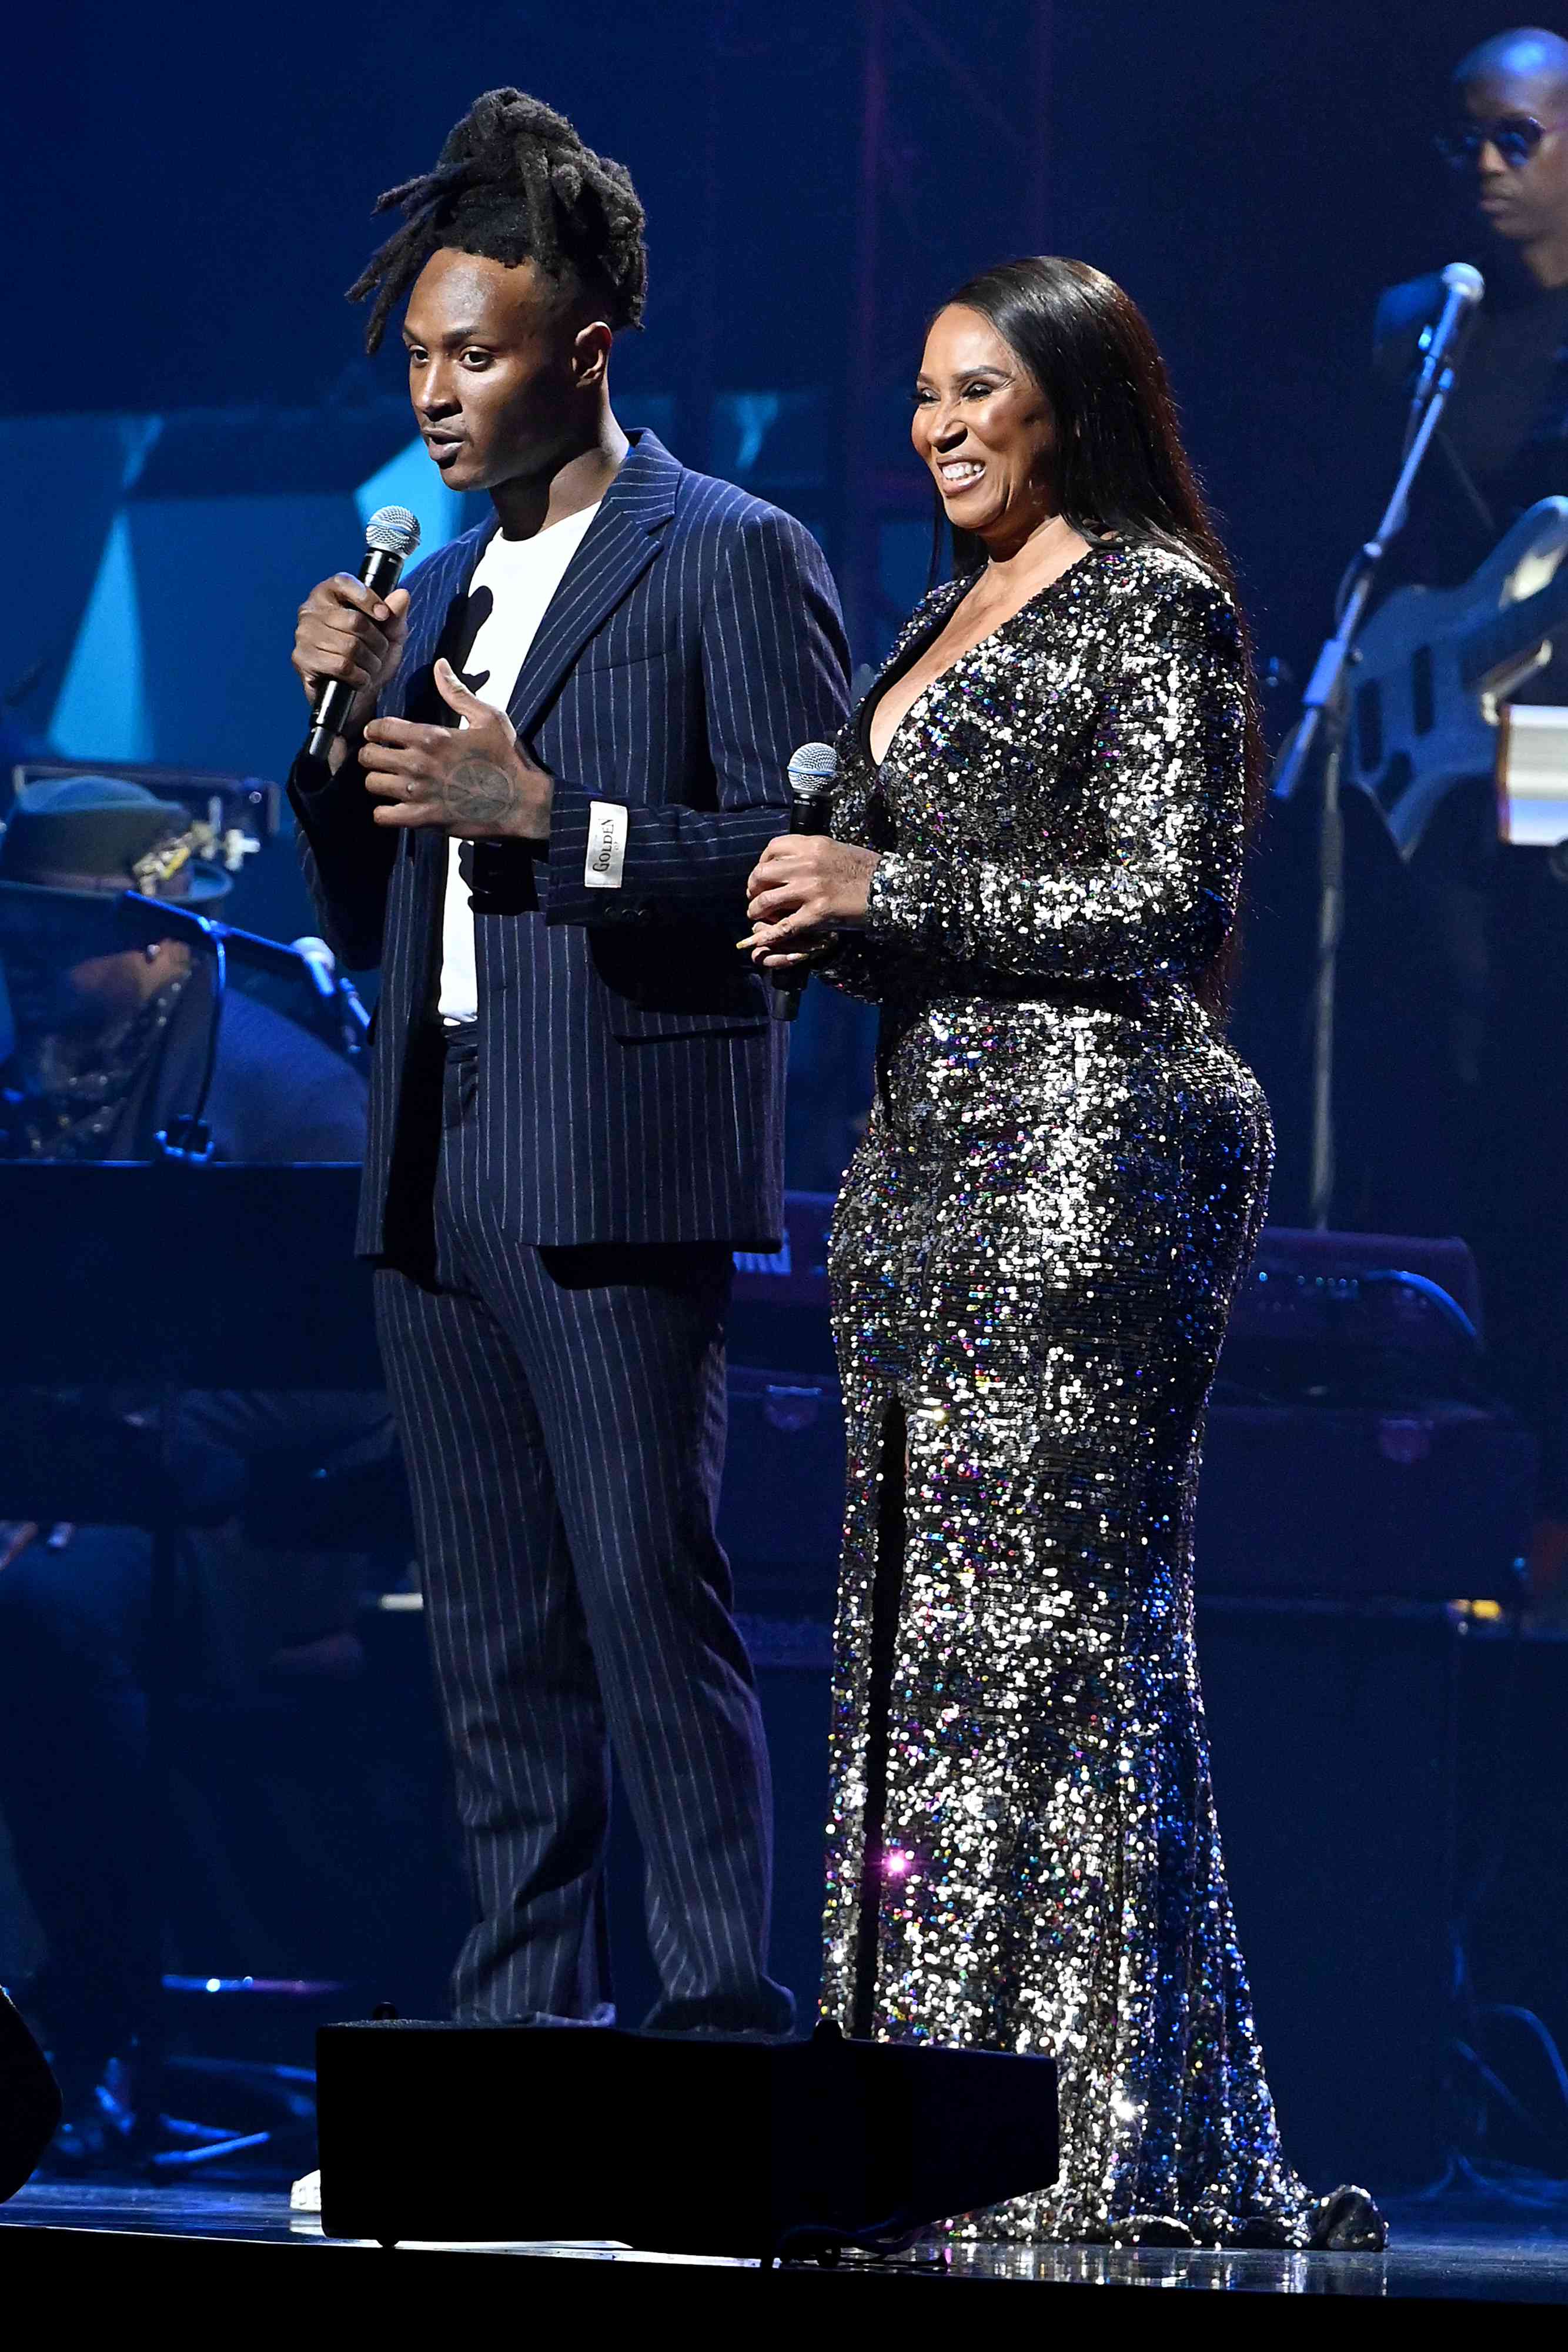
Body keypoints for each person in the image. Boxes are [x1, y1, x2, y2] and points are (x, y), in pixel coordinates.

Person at [744, 259, 1383, 2247]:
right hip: (927, 1146)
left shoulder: (1152, 600)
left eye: (974, 393)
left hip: (1092, 1151)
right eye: (921, 395)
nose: (934, 425)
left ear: (1073, 402)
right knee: (917, 1631)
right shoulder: (939, 610)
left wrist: (887, 880)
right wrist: (817, 901)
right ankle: (929, 2096)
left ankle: (1068, 2118)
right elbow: (913, 886)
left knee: (1044, 1639)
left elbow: (1156, 892)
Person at [289, 89, 848, 2036]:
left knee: (641, 1608)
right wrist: (336, 739)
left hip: (612, 1160)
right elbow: (380, 904)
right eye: (422, 356)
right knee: (493, 1648)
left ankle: (708, 2022)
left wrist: (557, 821)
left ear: (584, 349)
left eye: (477, 353)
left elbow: (804, 874)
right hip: (435, 1160)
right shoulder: (439, 587)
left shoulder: (724, 553)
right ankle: (516, 2030)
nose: (437, 394)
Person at [0, 774, 389, 2166]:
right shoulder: (39, 1069)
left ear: (167, 937)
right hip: (78, 1491)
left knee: (42, 1622)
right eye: (19, 935)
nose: (26, 964)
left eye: (59, 935)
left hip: (252, 1530)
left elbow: (355, 1377)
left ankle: (84, 2009)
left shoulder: (292, 1099)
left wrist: (92, 1467)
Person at [1371, 28, 1568, 1567]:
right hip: (1440, 737)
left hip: (1554, 744)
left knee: (1528, 1030)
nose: (1486, 172)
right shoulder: (1426, 327)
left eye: (1515, 139)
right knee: (1439, 1042)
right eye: (1467, 146)